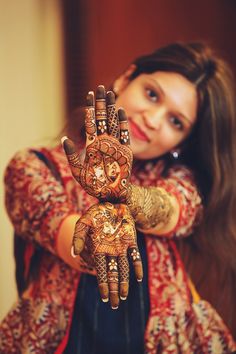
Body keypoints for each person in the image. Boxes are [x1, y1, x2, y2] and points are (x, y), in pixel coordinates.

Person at [0, 42, 236, 353]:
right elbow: (69, 235)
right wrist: (100, 233)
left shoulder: (180, 180)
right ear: (125, 80)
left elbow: (171, 209)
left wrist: (123, 193)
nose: (153, 119)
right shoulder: (34, 168)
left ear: (183, 141)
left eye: (175, 122)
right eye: (152, 94)